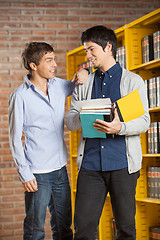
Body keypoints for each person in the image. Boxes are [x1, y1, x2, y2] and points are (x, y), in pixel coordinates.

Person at [66, 25, 150, 240]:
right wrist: (84, 113)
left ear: (108, 47)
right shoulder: (84, 83)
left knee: (126, 230)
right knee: (83, 231)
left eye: (91, 49)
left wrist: (119, 128)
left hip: (123, 166)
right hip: (90, 166)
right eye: (85, 50)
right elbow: (70, 121)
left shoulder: (133, 82)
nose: (88, 55)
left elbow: (143, 122)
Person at [8, 42, 89, 240]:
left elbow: (79, 81)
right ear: (34, 65)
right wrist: (25, 174)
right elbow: (15, 139)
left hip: (61, 170)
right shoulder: (19, 96)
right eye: (49, 60)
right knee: (35, 231)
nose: (55, 65)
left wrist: (85, 70)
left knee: (64, 229)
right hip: (37, 174)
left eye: (54, 59)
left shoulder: (59, 85)